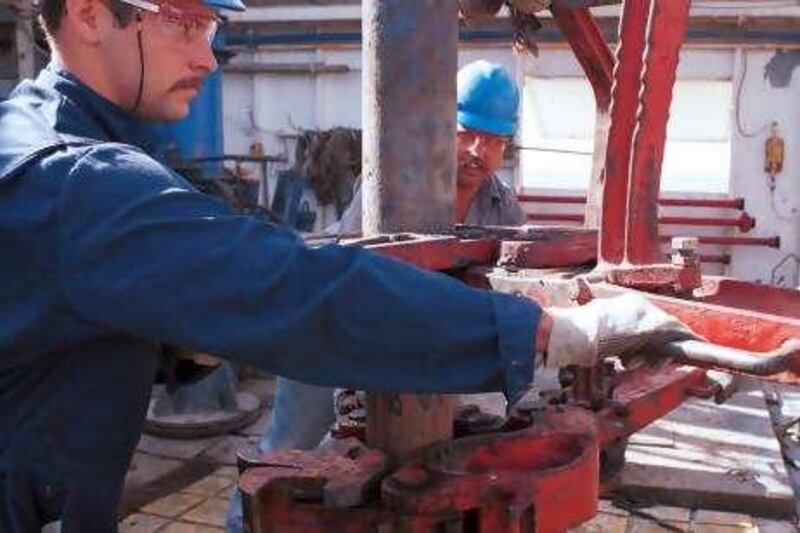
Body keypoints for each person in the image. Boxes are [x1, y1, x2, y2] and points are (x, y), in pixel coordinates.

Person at [0, 0, 696, 530]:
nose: (209, 57)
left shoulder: (41, 135)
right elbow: (302, 290)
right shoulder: (79, 181)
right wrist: (545, 332)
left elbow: (56, 334)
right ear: (90, 15)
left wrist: (178, 342)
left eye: (212, 29)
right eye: (186, 22)